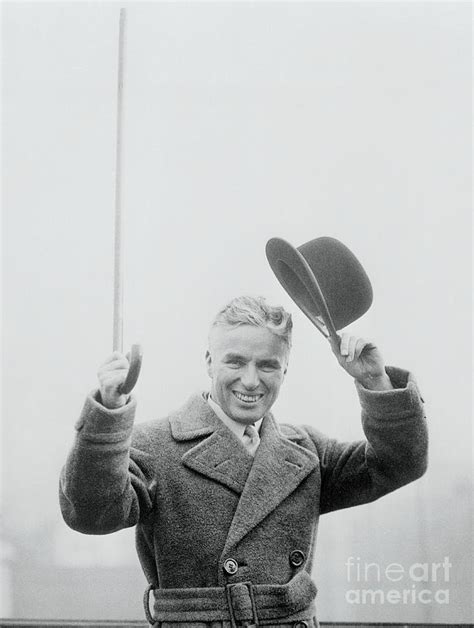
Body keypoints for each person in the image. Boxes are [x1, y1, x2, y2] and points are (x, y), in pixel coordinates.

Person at [59, 295, 428, 627]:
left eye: (267, 365)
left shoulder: (307, 451)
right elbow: (91, 513)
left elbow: (399, 463)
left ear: (285, 370)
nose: (251, 381)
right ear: (209, 362)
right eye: (235, 361)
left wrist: (375, 380)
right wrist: (109, 412)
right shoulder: (155, 445)